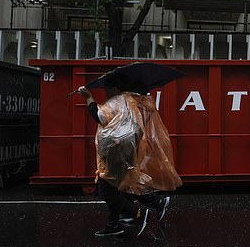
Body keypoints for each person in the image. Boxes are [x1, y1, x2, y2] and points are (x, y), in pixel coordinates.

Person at [76, 73, 182, 237]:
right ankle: (115, 223)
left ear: (115, 88)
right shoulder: (130, 100)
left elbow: (98, 115)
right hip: (127, 150)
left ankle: (137, 212)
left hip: (115, 152)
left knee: (107, 190)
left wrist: (88, 98)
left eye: (108, 89)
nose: (106, 92)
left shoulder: (115, 101)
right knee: (123, 184)